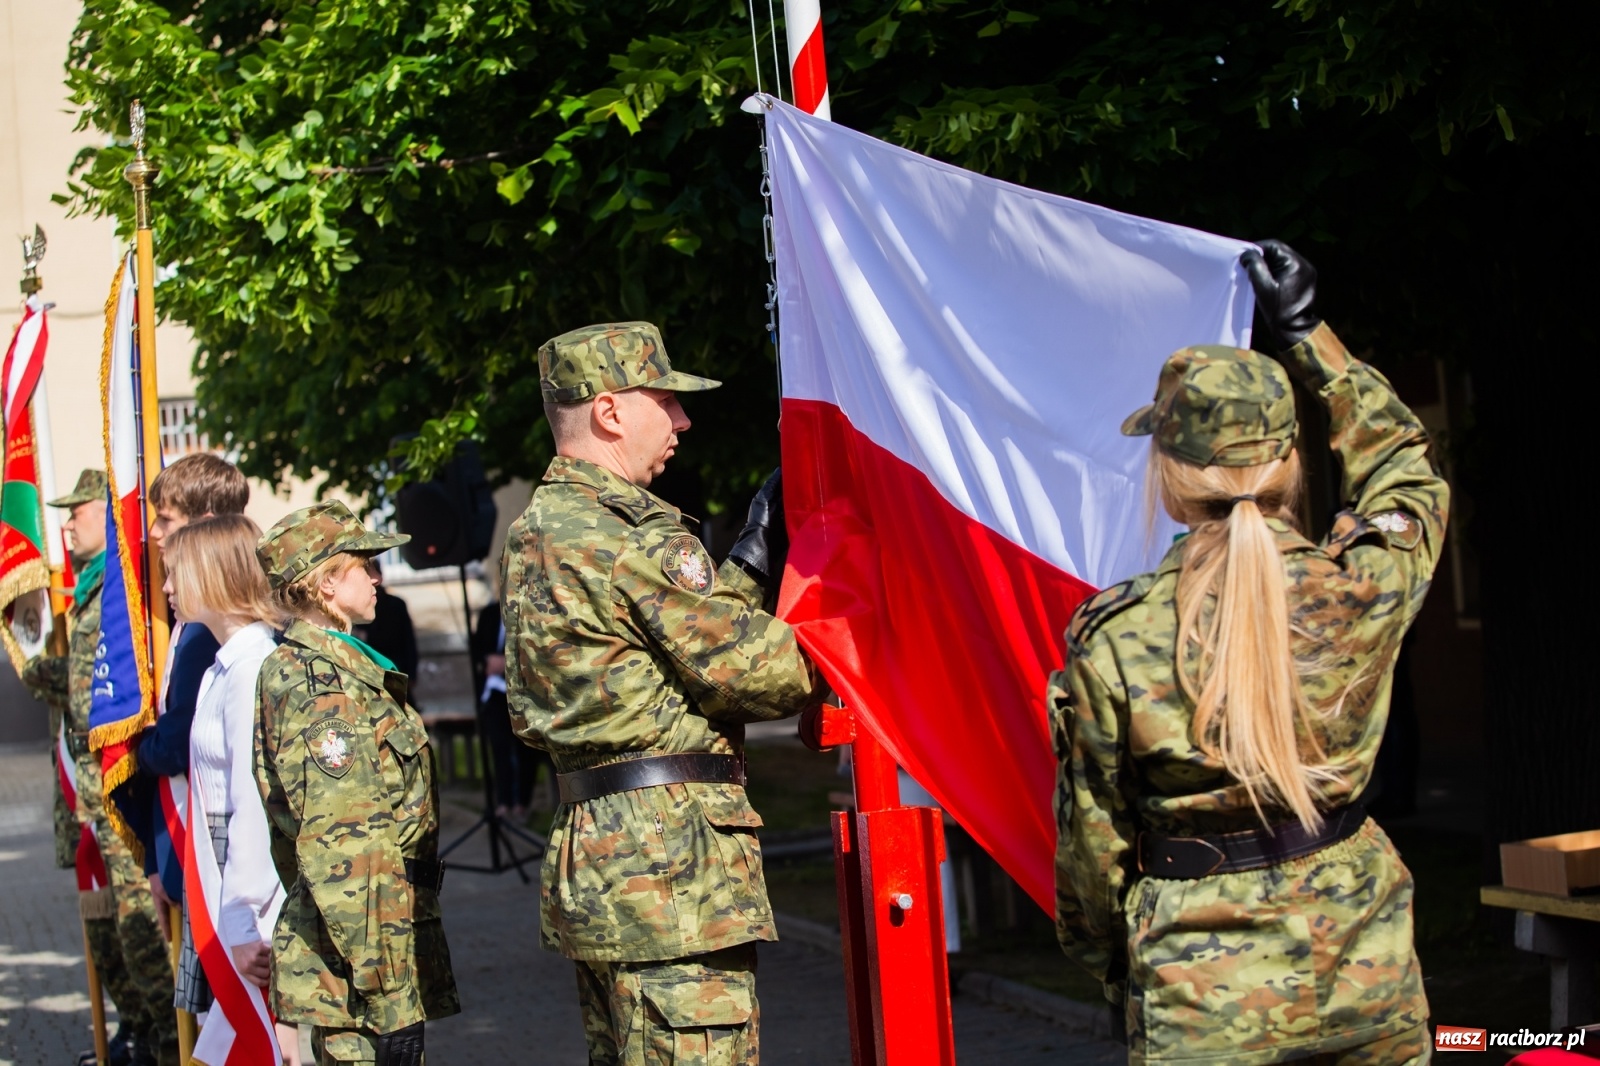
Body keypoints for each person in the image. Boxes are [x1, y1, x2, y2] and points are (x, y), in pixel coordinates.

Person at [1050, 241, 1448, 1064]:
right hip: (1361, 962)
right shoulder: (1360, 589)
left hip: (1199, 992)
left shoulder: (1118, 635)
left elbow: (1094, 845)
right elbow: (1408, 468)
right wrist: (1308, 333)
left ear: (1168, 470)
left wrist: (1119, 968)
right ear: (1292, 459)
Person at [501, 321, 822, 1065]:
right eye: (664, 400)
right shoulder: (629, 535)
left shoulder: (540, 532)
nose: (681, 419)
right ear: (610, 412)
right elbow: (756, 674)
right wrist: (845, 629)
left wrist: (745, 559)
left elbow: (651, 665)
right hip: (673, 871)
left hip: (606, 858)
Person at [254, 501, 459, 1065]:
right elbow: (345, 848)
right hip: (363, 974)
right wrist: (390, 995)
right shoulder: (322, 687)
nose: (376, 576)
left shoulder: (331, 667)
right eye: (362, 565)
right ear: (324, 584)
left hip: (362, 953)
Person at [23, 469, 175, 1066]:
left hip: (113, 792)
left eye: (75, 513)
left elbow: (95, 693)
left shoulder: (118, 588)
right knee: (108, 934)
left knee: (140, 932)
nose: (63, 525)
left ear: (105, 514)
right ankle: (137, 1031)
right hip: (86, 796)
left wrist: (36, 666)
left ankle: (167, 1041)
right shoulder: (85, 590)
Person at [112, 453, 249, 1019]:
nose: (153, 533)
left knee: (229, 1017)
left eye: (164, 519)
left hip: (221, 857)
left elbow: (183, 745)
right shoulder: (191, 626)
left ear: (206, 517)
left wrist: (135, 748)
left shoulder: (207, 638)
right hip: (192, 846)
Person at [161, 514, 300, 1064]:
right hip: (219, 875)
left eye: (176, 574)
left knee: (254, 1043)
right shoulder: (226, 664)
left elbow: (253, 800)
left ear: (212, 575)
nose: (168, 588)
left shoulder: (250, 669)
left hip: (243, 891)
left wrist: (243, 920)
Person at [471, 597, 554, 819]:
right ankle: (503, 802)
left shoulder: (531, 609)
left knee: (525, 748)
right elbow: (477, 650)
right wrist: (487, 663)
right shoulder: (489, 613)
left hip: (525, 691)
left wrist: (507, 661)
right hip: (495, 691)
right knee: (499, 747)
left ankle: (522, 803)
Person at [352, 560, 418, 681]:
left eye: (376, 572)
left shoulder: (396, 604)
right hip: (370, 671)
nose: (376, 579)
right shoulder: (355, 607)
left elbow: (408, 641)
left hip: (396, 669)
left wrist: (412, 674)